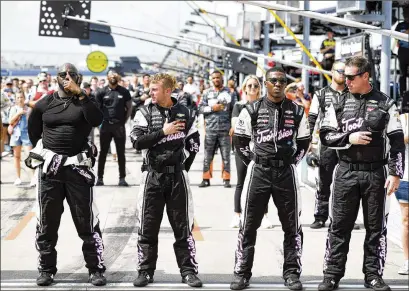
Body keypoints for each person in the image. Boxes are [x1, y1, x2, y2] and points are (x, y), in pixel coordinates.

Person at [317, 56, 405, 291]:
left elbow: (397, 141)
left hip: (376, 173)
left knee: (376, 228)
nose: (346, 81)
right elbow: (325, 135)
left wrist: (396, 173)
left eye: (351, 77)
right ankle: (332, 275)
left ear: (365, 76)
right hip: (345, 172)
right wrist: (349, 138)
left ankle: (373, 275)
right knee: (339, 226)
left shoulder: (386, 103)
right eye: (344, 76)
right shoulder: (337, 102)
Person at [27, 63, 107, 287]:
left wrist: (81, 94)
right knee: (46, 222)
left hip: (77, 170)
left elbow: (97, 120)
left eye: (72, 75)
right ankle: (46, 269)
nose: (67, 78)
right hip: (50, 171)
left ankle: (95, 269)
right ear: (56, 78)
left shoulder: (85, 101)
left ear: (80, 79)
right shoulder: (45, 103)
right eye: (63, 75)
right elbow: (33, 129)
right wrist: (45, 153)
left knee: (87, 222)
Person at [231, 67, 310, 291]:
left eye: (282, 81)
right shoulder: (251, 109)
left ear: (286, 84)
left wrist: (293, 162)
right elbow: (240, 141)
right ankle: (241, 273)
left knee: (292, 226)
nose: (277, 84)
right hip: (260, 172)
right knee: (248, 225)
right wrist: (254, 162)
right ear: (265, 83)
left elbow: (304, 142)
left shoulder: (297, 111)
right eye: (273, 81)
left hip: (286, 173)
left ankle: (292, 273)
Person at [130, 73, 202, 288]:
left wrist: (182, 168)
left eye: (154, 89)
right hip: (152, 175)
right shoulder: (144, 112)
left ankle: (188, 272)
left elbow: (194, 144)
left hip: (177, 177)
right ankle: (145, 271)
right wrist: (163, 131)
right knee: (148, 226)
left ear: (168, 91)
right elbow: (137, 142)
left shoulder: (186, 112)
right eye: (150, 89)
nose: (150, 93)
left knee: (182, 227)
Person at [308, 62, 360, 230]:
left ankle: (346, 218)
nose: (344, 75)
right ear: (331, 72)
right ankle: (320, 216)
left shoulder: (353, 93)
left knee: (349, 184)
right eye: (340, 71)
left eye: (346, 73)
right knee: (323, 182)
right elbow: (311, 120)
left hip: (348, 143)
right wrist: (309, 145)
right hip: (328, 144)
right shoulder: (321, 94)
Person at [229, 75, 272, 229]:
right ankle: (237, 215)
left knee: (263, 184)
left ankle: (265, 216)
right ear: (244, 89)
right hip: (242, 148)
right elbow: (236, 127)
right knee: (241, 181)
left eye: (255, 86)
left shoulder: (265, 105)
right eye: (250, 86)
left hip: (260, 148)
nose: (253, 88)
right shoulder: (238, 106)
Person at [198, 70, 237, 188]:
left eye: (218, 78)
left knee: (226, 155)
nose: (216, 80)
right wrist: (212, 108)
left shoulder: (231, 93)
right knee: (207, 155)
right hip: (210, 129)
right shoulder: (206, 93)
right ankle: (206, 179)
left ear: (222, 79)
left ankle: (226, 179)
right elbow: (200, 109)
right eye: (214, 78)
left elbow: (234, 111)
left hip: (225, 130)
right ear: (211, 79)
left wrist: (233, 126)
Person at [95, 69, 132, 186]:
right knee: (103, 153)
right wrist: (100, 123)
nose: (113, 76)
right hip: (105, 126)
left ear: (118, 77)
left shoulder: (124, 92)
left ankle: (122, 178)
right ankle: (100, 178)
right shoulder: (101, 92)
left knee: (121, 153)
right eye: (110, 74)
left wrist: (123, 121)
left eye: (115, 74)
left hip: (119, 126)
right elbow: (97, 109)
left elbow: (129, 107)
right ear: (107, 77)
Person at [8, 91, 35, 187]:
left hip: (26, 134)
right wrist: (18, 113)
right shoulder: (13, 108)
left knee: (29, 155)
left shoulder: (29, 109)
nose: (20, 99)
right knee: (17, 157)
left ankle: (33, 178)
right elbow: (10, 121)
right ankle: (18, 178)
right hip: (15, 135)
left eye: (21, 97)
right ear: (15, 99)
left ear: (24, 98)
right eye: (18, 97)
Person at [397, 104, 408, 275]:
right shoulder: (403, 119)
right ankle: (407, 260)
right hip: (406, 177)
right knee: (407, 220)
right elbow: (395, 142)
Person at [395, 8, 409, 97]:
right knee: (402, 74)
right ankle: (402, 95)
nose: (405, 15)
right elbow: (395, 36)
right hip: (403, 51)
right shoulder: (400, 25)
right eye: (404, 13)